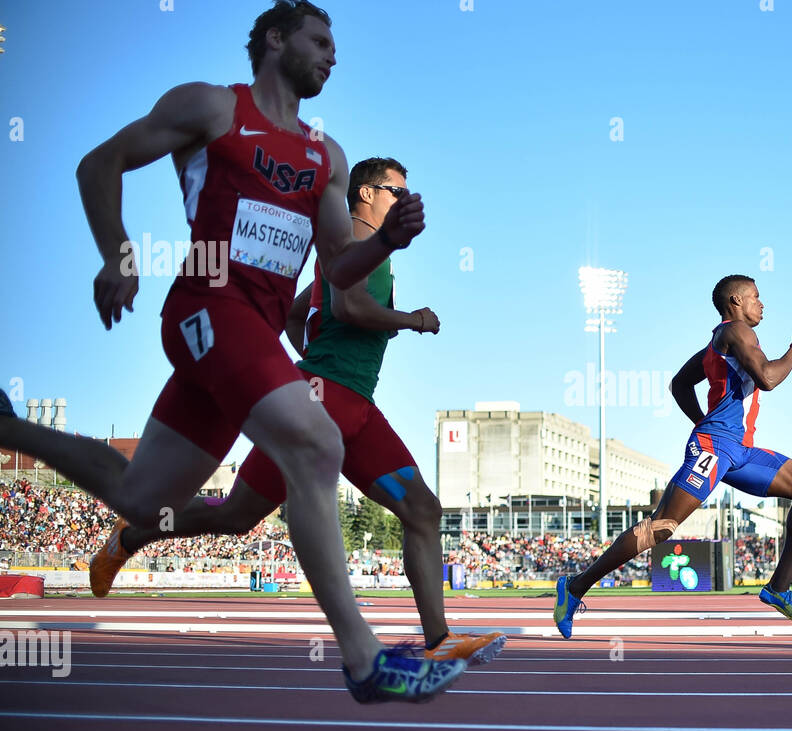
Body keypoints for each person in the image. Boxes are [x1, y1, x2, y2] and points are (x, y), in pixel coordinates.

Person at [0, 0, 463, 703]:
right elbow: (98, 162)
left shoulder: (327, 156)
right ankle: (363, 658)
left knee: (139, 497)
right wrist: (118, 254)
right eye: (320, 40)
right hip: (205, 306)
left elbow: (336, 267)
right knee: (317, 442)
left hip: (251, 336)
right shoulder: (213, 108)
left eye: (336, 47)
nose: (332, 55)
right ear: (274, 39)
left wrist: (384, 242)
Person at [90, 160, 506, 666]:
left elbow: (296, 312)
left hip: (355, 407)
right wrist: (413, 320)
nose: (406, 200)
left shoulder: (360, 251)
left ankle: (439, 641)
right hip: (321, 404)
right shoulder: (355, 245)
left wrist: (311, 353)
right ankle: (135, 532)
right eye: (398, 192)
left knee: (422, 510)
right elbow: (352, 309)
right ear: (367, 194)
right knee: (237, 516)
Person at [552, 274, 792, 637]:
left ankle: (778, 587)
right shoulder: (737, 333)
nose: (762, 304)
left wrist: (704, 420)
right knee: (662, 527)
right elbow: (768, 378)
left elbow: (680, 383)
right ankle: (574, 587)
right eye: (756, 297)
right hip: (716, 447)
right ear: (735, 301)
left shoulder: (719, 343)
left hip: (740, 451)